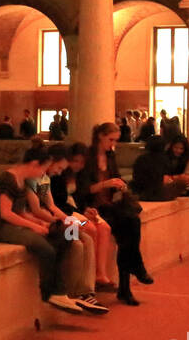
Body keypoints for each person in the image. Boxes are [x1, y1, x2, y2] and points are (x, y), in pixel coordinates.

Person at [0, 145, 89, 314]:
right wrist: (33, 225)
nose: (43, 172)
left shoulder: (20, 181)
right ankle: (49, 291)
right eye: (42, 168)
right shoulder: (7, 180)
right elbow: (5, 214)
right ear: (34, 164)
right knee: (45, 249)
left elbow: (21, 212)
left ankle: (60, 289)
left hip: (16, 224)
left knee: (64, 237)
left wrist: (39, 223)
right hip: (3, 228)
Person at [24, 145, 107, 313]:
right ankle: (74, 291)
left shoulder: (45, 179)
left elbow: (52, 206)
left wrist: (68, 220)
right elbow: (37, 209)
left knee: (87, 237)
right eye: (59, 168)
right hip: (44, 223)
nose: (60, 172)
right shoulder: (34, 180)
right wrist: (62, 221)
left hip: (56, 220)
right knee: (76, 243)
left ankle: (85, 291)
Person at [78, 122, 154, 305]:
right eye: (111, 140)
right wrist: (106, 184)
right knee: (128, 231)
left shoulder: (110, 156)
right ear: (100, 137)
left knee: (131, 228)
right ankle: (134, 273)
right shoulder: (87, 158)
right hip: (95, 207)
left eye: (116, 140)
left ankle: (128, 283)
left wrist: (120, 185)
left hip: (111, 204)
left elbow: (117, 178)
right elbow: (83, 189)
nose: (113, 144)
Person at [49, 142, 115, 291]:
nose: (77, 165)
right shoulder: (56, 177)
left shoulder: (78, 176)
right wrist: (78, 213)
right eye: (75, 161)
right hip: (66, 213)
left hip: (74, 211)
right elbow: (55, 203)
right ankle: (86, 283)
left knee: (104, 228)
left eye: (81, 162)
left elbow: (80, 197)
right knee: (88, 230)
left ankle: (99, 275)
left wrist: (85, 210)